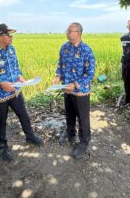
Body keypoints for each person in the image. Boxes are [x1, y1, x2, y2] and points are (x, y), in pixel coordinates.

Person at [0, 23, 43, 162]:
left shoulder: (11, 49)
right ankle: (3, 147)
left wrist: (20, 76)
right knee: (1, 120)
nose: (12, 37)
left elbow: (16, 67)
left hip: (15, 91)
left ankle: (30, 136)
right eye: (9, 34)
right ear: (0, 37)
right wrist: (0, 83)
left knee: (23, 114)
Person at [52, 22, 95, 159]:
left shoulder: (86, 50)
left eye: (70, 30)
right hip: (66, 89)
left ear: (78, 33)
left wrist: (75, 84)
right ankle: (71, 134)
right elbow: (60, 64)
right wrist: (57, 77)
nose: (67, 32)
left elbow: (90, 74)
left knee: (83, 118)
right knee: (69, 113)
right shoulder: (64, 48)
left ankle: (84, 142)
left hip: (81, 91)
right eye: (67, 30)